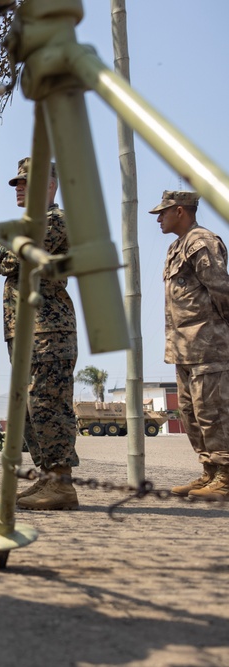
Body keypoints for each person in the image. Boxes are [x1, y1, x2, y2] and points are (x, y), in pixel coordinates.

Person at [0, 158, 79, 510]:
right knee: (29, 408)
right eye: (17, 183)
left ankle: (62, 484)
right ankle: (47, 477)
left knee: (48, 404)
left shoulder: (55, 221)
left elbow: (10, 259)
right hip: (25, 331)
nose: (19, 188)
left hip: (48, 329)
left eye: (26, 181)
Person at [154, 190, 229, 499]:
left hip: (208, 345)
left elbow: (221, 291)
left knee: (212, 411)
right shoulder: (176, 247)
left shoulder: (203, 243)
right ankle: (209, 472)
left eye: (163, 212)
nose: (159, 218)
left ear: (181, 211)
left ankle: (225, 475)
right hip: (183, 348)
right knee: (191, 412)